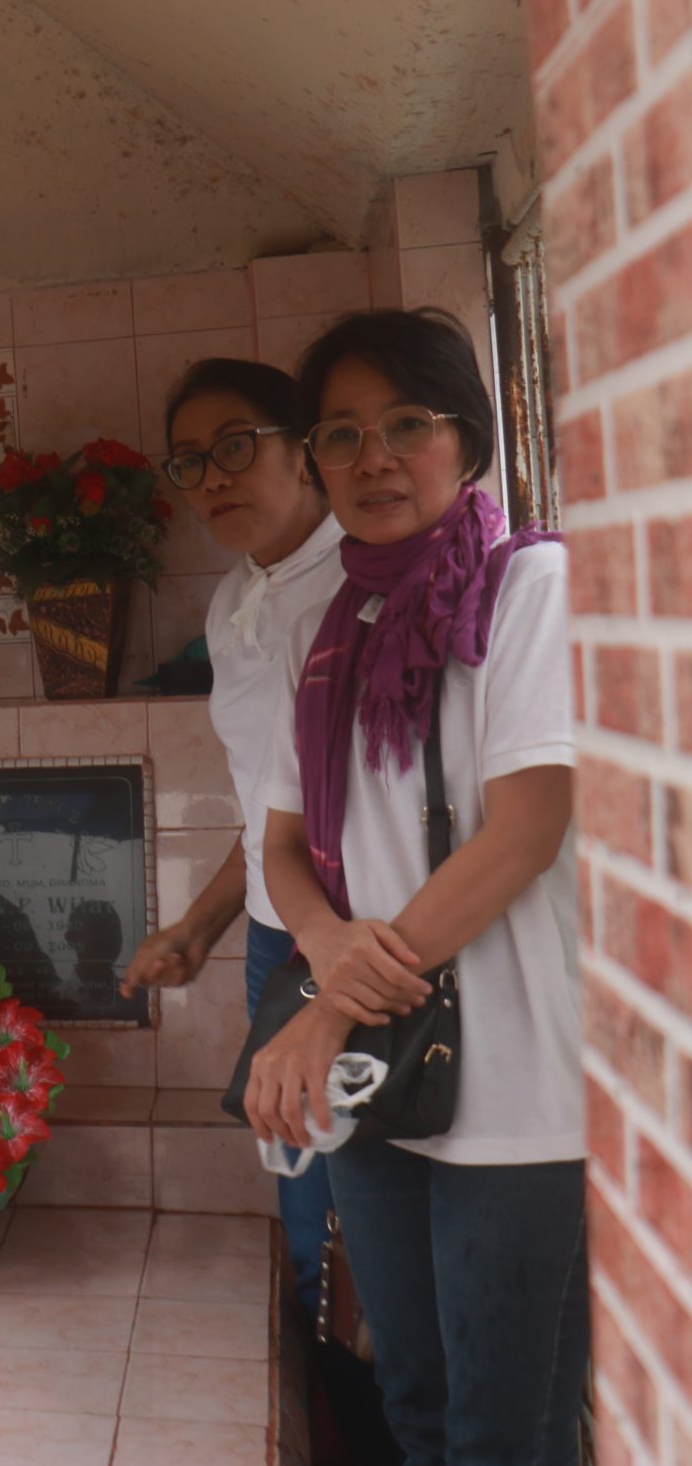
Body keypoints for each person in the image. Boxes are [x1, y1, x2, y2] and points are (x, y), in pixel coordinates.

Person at [243, 311, 584, 1466]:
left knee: (507, 1430)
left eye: (405, 424)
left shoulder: (525, 584)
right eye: (340, 434)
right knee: (418, 1411)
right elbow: (280, 845)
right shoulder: (324, 627)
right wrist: (323, 943)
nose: (373, 456)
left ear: (468, 440)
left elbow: (525, 830)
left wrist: (331, 1000)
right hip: (379, 1084)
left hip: (514, 1084)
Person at [124, 358, 345, 1309]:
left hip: (356, 943)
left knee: (361, 1211)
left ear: (304, 453)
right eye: (189, 462)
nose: (212, 477)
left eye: (234, 446)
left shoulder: (354, 585)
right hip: (272, 942)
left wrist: (335, 971)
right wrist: (202, 925)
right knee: (304, 1193)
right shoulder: (231, 600)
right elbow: (269, 808)